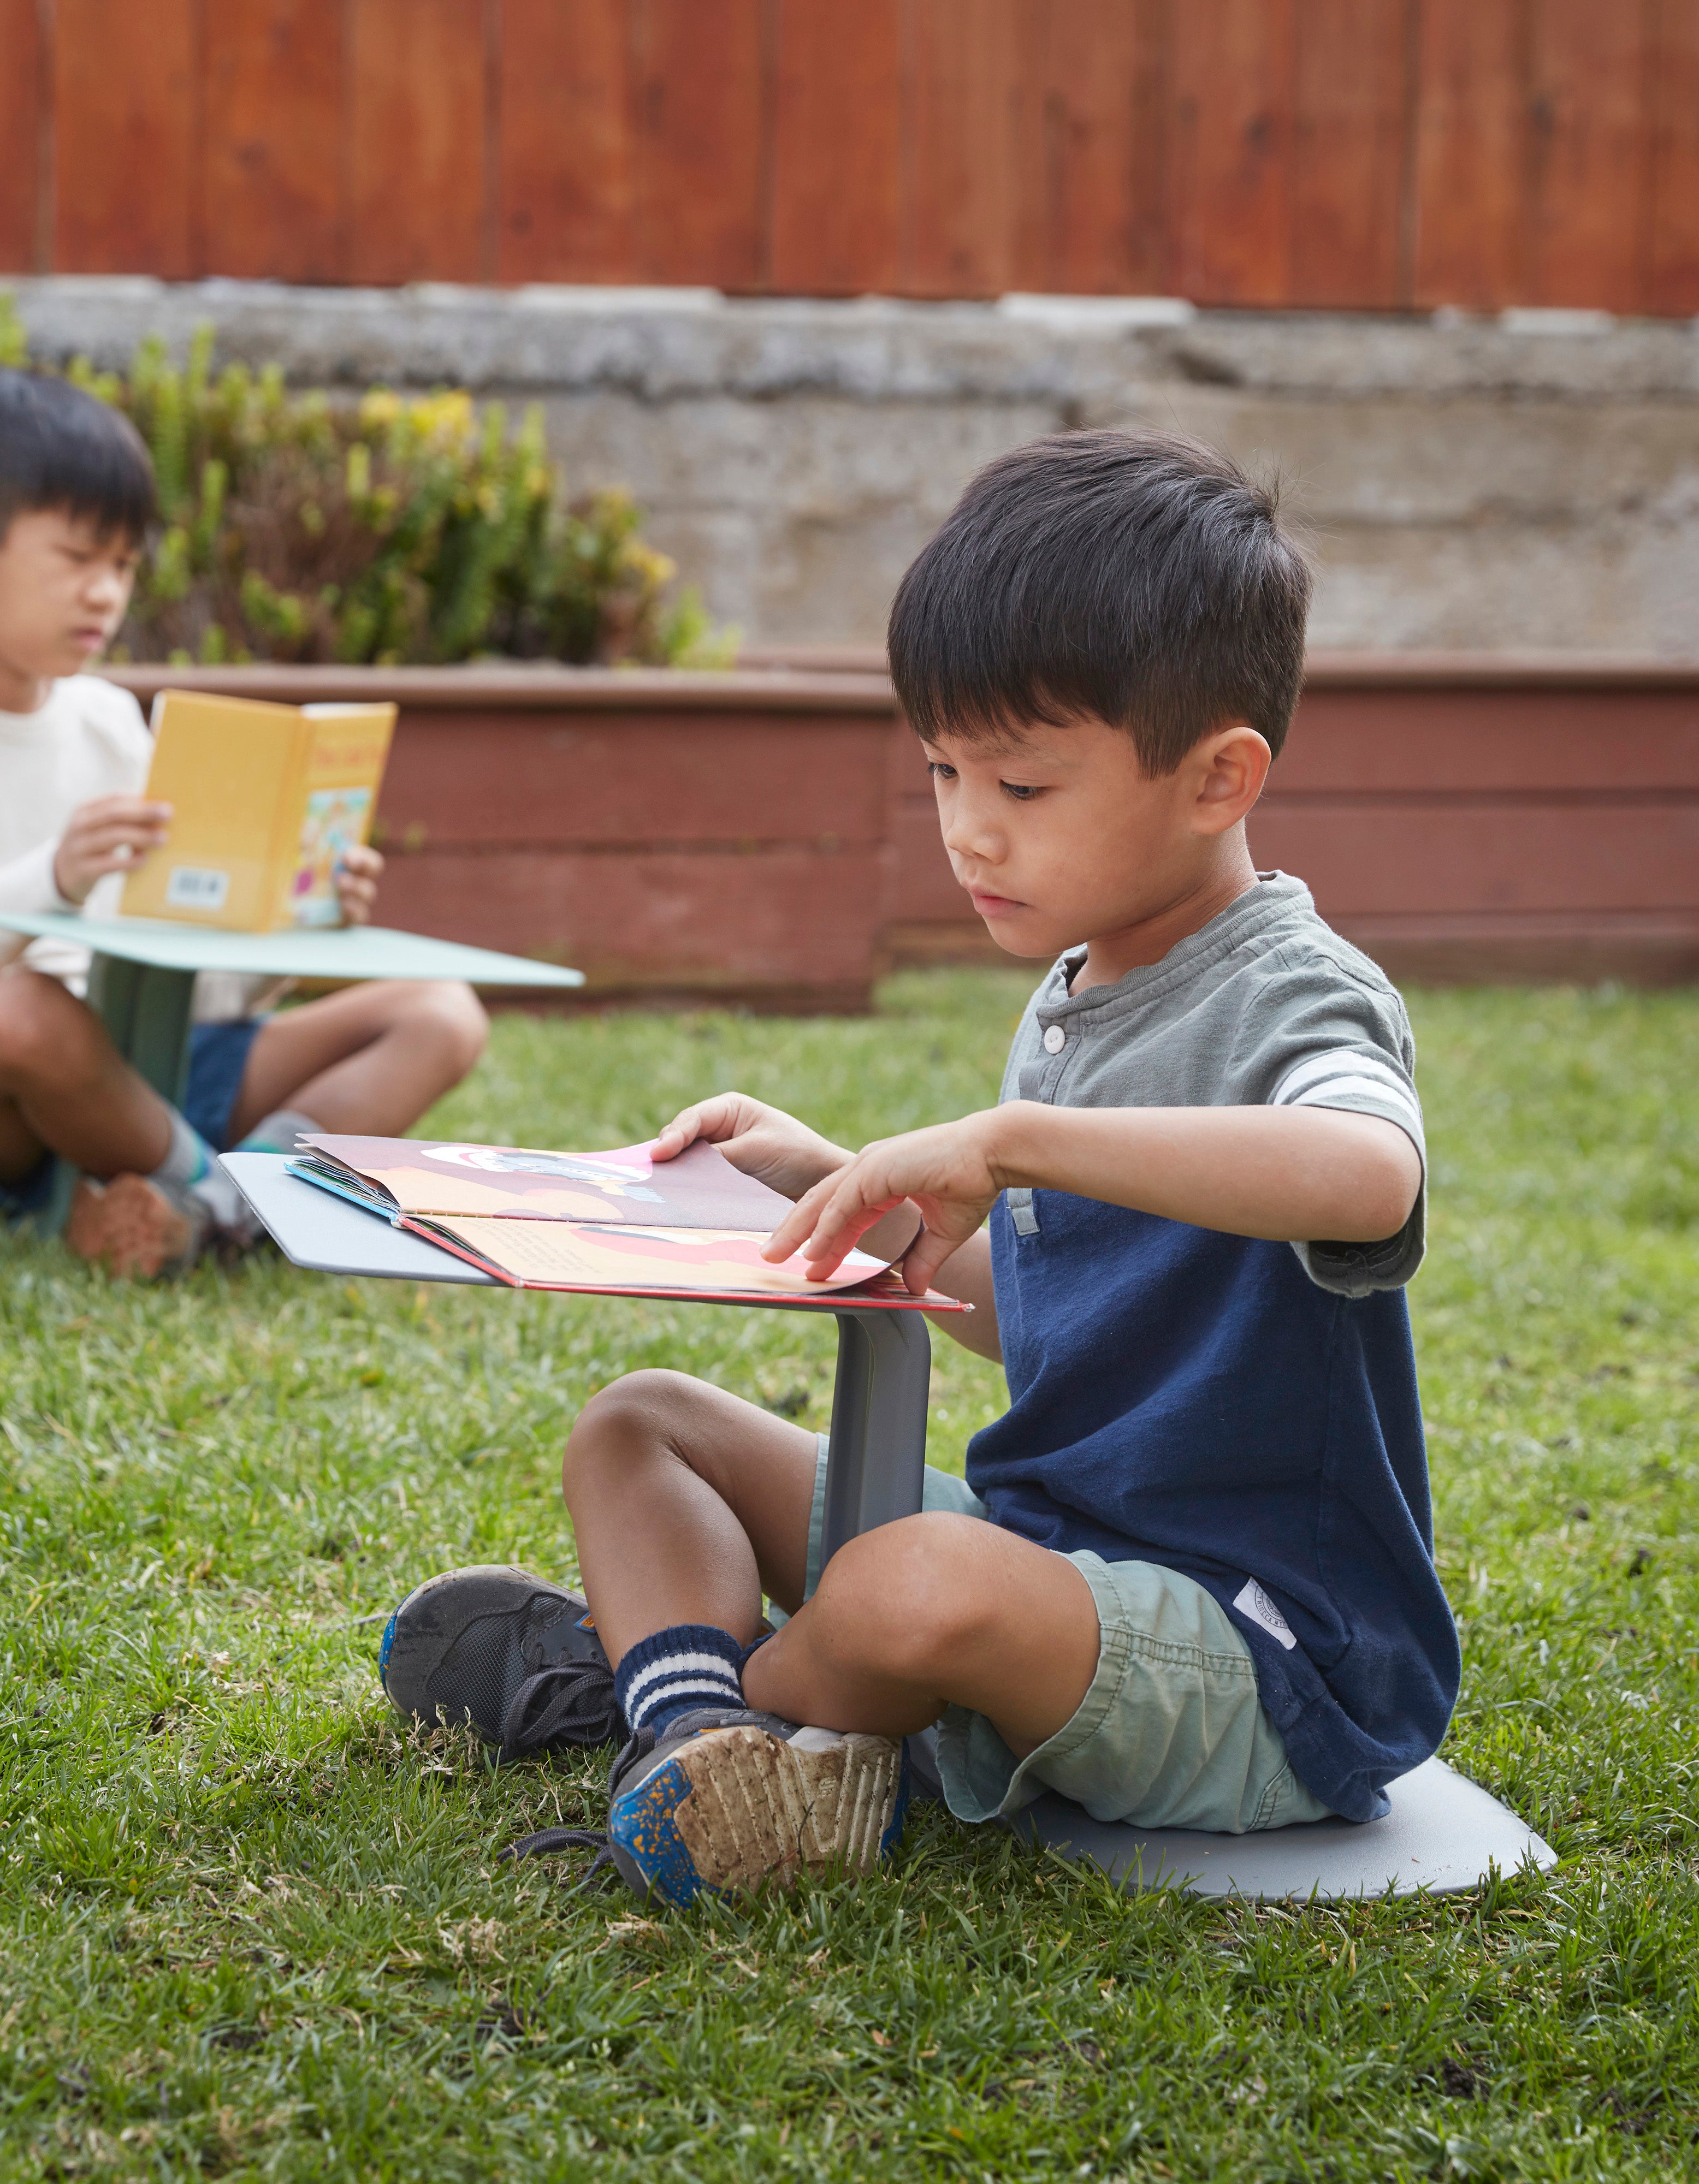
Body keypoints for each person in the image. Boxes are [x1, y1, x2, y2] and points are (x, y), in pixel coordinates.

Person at [377, 429, 1460, 1906]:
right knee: (643, 1429)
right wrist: (839, 1186)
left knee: (914, 1584)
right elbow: (1059, 1321)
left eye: (1021, 786)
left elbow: (1367, 1176)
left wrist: (1007, 1142)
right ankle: (699, 1738)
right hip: (1053, 1566)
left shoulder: (1300, 994)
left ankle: (675, 1685)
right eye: (944, 769)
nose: (965, 830)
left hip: (1267, 1658)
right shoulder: (1084, 985)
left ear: (1218, 779)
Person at [0, 367, 487, 1277]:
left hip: (132, 1070)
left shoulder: (110, 721)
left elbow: (184, 978)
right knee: (24, 1011)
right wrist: (51, 879)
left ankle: (222, 1215)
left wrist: (298, 917)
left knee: (442, 1012)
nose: (107, 593)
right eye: (77, 559)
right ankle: (221, 1198)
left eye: (122, 565)